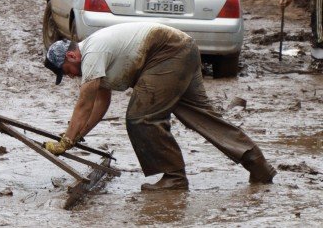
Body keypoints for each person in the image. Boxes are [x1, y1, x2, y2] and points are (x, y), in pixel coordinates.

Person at [42, 23, 276, 191]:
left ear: (72, 55)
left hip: (167, 52)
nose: (71, 77)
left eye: (66, 72)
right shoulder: (94, 58)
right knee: (201, 115)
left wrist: (67, 140)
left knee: (141, 117)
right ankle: (258, 165)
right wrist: (77, 136)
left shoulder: (92, 53)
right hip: (180, 48)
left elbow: (84, 103)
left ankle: (174, 177)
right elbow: (100, 104)